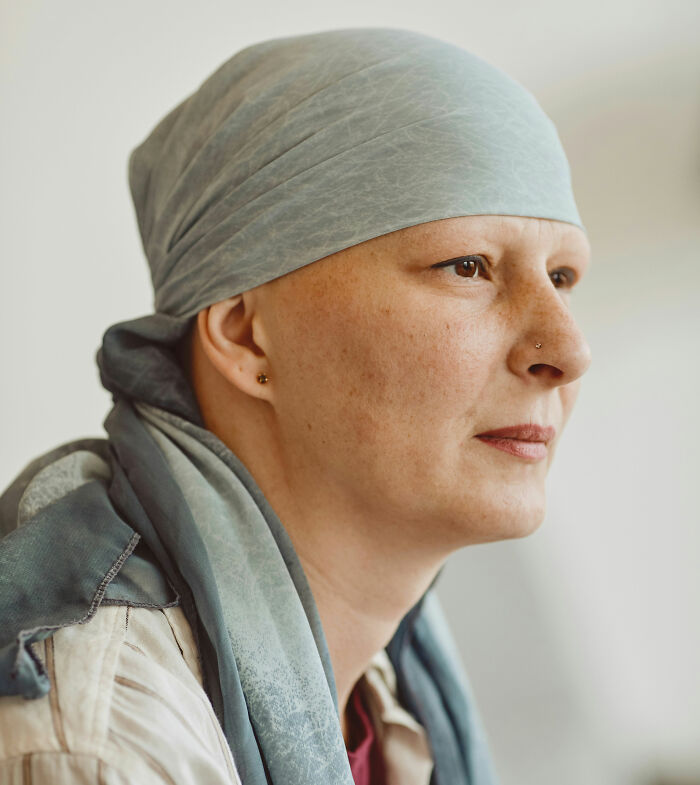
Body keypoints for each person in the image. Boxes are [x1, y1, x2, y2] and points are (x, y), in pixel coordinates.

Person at [0, 26, 591, 785]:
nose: (568, 350)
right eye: (467, 265)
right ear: (247, 337)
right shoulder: (97, 739)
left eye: (563, 277)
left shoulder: (389, 691)